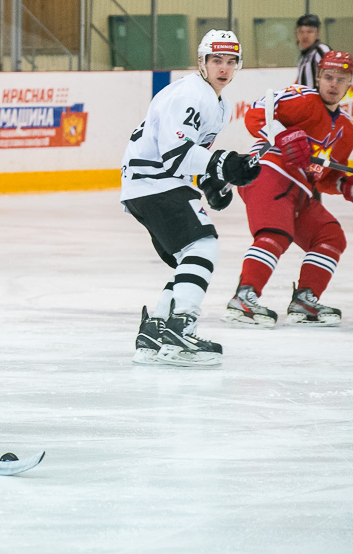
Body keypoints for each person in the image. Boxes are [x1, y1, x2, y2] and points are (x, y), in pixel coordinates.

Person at [121, 30, 261, 368]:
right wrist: (221, 164)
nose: (223, 68)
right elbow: (174, 154)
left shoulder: (219, 104)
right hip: (155, 181)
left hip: (151, 184)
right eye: (216, 60)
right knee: (203, 245)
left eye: (230, 62)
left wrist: (212, 179)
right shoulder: (190, 93)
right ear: (202, 62)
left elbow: (190, 158)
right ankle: (182, 327)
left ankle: (156, 329)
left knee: (189, 257)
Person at [222, 51, 353, 329]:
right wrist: (281, 133)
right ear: (318, 78)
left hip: (301, 190)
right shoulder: (301, 99)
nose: (333, 84)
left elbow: (326, 176)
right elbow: (255, 115)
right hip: (268, 171)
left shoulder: (346, 130)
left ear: (350, 82)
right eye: (328, 77)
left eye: (341, 79)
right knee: (276, 233)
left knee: (330, 236)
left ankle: (305, 299)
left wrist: (348, 185)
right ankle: (244, 297)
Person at [295, 14, 331, 89]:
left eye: (309, 32)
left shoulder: (321, 50)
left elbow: (331, 78)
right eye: (301, 32)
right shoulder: (304, 56)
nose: (305, 36)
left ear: (317, 34)